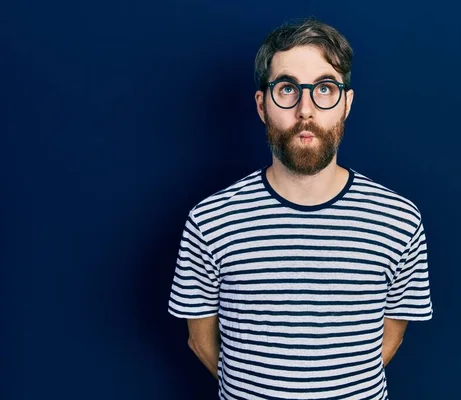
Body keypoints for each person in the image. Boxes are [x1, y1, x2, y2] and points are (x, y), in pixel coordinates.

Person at [168, 17, 433, 399]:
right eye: (287, 88)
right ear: (262, 105)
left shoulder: (398, 220)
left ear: (346, 104)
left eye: (325, 88)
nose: (305, 109)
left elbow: (387, 338)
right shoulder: (211, 220)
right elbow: (201, 342)